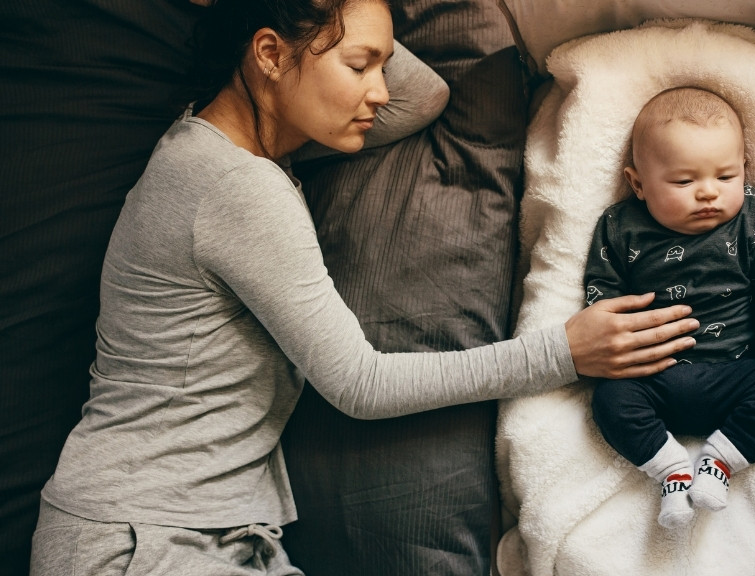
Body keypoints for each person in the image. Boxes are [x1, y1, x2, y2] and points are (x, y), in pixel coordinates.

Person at [28, 0, 699, 574]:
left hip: (181, 531)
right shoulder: (237, 187)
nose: (379, 88)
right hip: (139, 539)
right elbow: (361, 385)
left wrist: (352, 37)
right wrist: (560, 354)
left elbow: (422, 96)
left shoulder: (229, 148)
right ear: (267, 53)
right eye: (358, 66)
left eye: (380, 62)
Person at [584, 87, 755, 529]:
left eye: (725, 178)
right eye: (684, 182)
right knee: (609, 402)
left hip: (737, 368)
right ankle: (670, 468)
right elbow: (602, 289)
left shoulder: (752, 218)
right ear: (638, 184)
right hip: (652, 372)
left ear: (744, 169)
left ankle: (718, 463)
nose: (708, 193)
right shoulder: (619, 225)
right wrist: (611, 346)